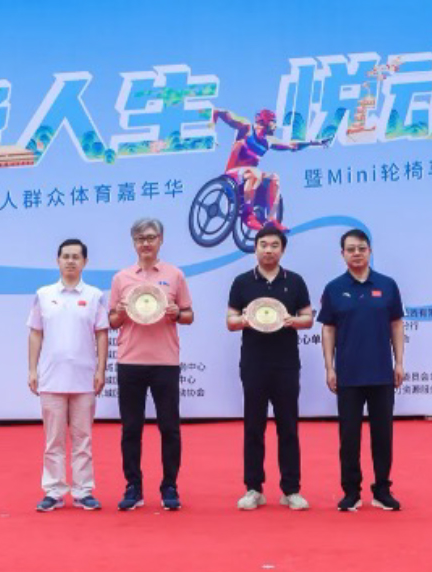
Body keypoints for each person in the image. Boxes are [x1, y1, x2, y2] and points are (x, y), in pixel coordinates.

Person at [109, 218, 194, 511]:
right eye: (140, 238)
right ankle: (133, 486)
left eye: (150, 237)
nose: (145, 243)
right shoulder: (121, 278)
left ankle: (170, 485)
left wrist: (176, 312)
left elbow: (189, 315)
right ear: (133, 243)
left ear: (161, 240)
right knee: (131, 429)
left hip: (165, 362)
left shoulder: (175, 275)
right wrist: (120, 313)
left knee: (169, 428)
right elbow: (111, 321)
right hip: (130, 361)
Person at [317, 229, 405, 512]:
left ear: (370, 251)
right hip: (348, 374)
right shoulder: (334, 288)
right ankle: (351, 492)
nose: (356, 253)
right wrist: (329, 367)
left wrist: (399, 362)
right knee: (349, 437)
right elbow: (328, 329)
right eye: (351, 249)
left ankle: (382, 490)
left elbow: (396, 325)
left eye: (361, 248)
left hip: (381, 373)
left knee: (383, 435)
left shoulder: (387, 285)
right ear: (342, 254)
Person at [226, 226, 313, 511]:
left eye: (274, 245)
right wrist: (245, 320)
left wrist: (292, 320)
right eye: (263, 244)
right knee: (254, 427)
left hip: (286, 364)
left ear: (282, 250)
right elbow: (230, 321)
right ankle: (253, 489)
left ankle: (291, 490)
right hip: (254, 363)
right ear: (255, 248)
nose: (268, 250)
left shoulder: (295, 281)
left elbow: (308, 318)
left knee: (288, 427)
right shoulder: (242, 282)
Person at [27, 239, 108, 512]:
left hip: (84, 379)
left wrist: (101, 369)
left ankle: (84, 491)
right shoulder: (43, 294)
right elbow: (35, 333)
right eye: (66, 256)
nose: (70, 261)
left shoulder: (95, 295)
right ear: (58, 261)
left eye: (76, 257)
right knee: (54, 440)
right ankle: (54, 490)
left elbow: (102, 334)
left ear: (85, 262)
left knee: (82, 438)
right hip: (51, 378)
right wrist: (32, 369)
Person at [212, 108, 328, 232]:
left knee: (274, 178)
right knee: (255, 173)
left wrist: (314, 143)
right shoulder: (246, 128)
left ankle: (271, 220)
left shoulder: (269, 140)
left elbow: (293, 146)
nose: (276, 126)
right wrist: (211, 132)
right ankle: (247, 216)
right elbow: (217, 112)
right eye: (274, 122)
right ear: (266, 121)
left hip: (250, 179)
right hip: (232, 176)